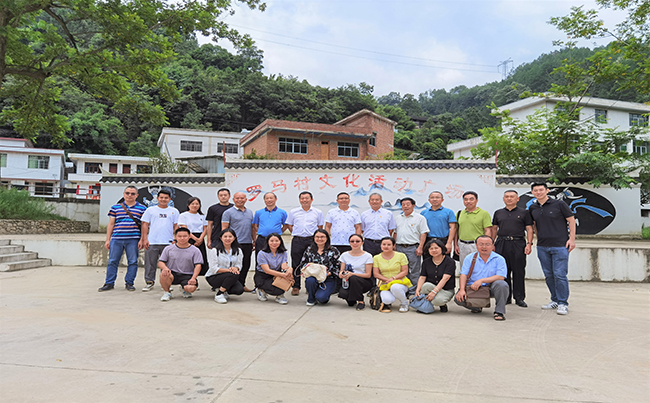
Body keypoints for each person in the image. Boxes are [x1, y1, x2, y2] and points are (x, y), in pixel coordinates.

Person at [529, 183, 576, 315]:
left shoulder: (559, 204)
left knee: (559, 274)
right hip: (542, 246)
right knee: (549, 275)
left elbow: (571, 221)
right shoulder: (533, 208)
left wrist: (572, 239)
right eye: (535, 190)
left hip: (560, 245)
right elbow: (534, 225)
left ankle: (563, 303)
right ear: (532, 192)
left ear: (547, 190)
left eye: (541, 190)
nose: (538, 192)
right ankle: (554, 299)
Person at [98, 185, 146, 292]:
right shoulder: (115, 208)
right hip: (117, 239)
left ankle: (129, 283)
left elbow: (144, 225)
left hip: (133, 239)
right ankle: (109, 283)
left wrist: (142, 239)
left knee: (133, 262)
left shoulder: (142, 209)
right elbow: (111, 224)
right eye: (127, 193)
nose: (130, 195)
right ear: (124, 194)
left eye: (132, 194)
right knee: (112, 261)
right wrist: (108, 239)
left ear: (137, 195)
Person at [491, 190, 534, 307]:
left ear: (517, 199)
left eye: (512, 196)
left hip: (518, 243)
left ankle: (519, 298)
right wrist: (492, 243)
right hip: (501, 243)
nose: (509, 198)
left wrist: (529, 243)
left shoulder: (524, 213)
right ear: (503, 199)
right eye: (507, 197)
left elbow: (529, 229)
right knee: (503, 271)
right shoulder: (498, 213)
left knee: (518, 271)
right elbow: (494, 228)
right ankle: (506, 297)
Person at [454, 235, 509, 321]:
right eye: (481, 244)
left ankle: (499, 311)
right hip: (474, 287)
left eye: (487, 244)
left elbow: (501, 276)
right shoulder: (469, 258)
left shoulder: (499, 259)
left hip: (491, 287)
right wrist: (461, 290)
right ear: (476, 245)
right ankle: (476, 306)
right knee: (459, 299)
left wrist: (481, 280)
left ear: (492, 246)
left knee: (502, 285)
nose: (484, 247)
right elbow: (463, 275)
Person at [286, 191, 324, 296]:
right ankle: (296, 286)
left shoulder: (318, 212)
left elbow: (320, 227)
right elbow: (289, 225)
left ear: (311, 200)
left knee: (312, 263)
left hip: (312, 241)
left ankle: (310, 286)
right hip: (297, 240)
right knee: (296, 263)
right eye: (302, 198)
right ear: (299, 200)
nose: (304, 200)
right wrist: (297, 233)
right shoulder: (293, 212)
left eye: (307, 198)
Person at [140, 189, 179, 291]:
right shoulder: (150, 210)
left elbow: (176, 226)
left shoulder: (174, 211)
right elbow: (145, 225)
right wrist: (144, 239)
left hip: (168, 242)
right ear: (157, 198)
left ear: (170, 199)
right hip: (152, 241)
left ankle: (166, 283)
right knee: (150, 264)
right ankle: (149, 282)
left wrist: (176, 239)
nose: (163, 199)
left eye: (166, 198)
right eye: (161, 197)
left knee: (167, 265)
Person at [158, 228, 203, 302]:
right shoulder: (168, 248)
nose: (182, 238)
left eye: (185, 236)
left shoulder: (195, 250)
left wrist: (193, 278)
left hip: (187, 274)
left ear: (189, 237)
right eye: (179, 236)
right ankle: (167, 292)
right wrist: (165, 268)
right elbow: (161, 262)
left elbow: (198, 265)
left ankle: (184, 289)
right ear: (175, 237)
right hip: (172, 273)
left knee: (191, 288)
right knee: (163, 274)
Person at [298, 229, 341, 306]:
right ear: (314, 238)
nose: (319, 239)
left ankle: (321, 295)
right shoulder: (309, 249)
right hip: (313, 277)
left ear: (327, 238)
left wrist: (329, 273)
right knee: (310, 280)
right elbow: (303, 263)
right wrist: (306, 269)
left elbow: (338, 265)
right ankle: (311, 299)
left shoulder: (333, 250)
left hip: (328, 278)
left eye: (322, 237)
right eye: (317, 237)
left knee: (321, 298)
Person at [394, 197, 429, 293]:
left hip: (413, 247)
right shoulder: (398, 218)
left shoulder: (420, 218)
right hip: (399, 247)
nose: (405, 206)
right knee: (401, 270)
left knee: (414, 271)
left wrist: (420, 247)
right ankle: (404, 289)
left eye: (408, 204)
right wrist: (394, 245)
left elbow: (423, 233)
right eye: (403, 205)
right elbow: (395, 232)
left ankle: (413, 291)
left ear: (413, 206)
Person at [222, 192, 254, 292]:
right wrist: (226, 242)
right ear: (233, 199)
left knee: (245, 264)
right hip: (234, 243)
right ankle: (229, 285)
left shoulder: (249, 212)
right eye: (237, 198)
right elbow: (224, 229)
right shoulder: (228, 212)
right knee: (233, 265)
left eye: (242, 198)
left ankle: (242, 284)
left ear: (246, 199)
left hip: (247, 242)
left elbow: (252, 228)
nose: (240, 200)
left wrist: (254, 240)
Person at [415, 239, 456, 312]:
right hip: (431, 287)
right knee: (425, 286)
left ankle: (442, 304)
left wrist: (434, 292)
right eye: (431, 248)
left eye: (436, 248)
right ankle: (425, 306)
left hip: (446, 290)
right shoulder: (426, 262)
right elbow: (422, 277)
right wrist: (418, 290)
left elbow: (445, 278)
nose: (434, 250)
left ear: (442, 248)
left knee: (437, 301)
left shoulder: (450, 261)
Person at [205, 228, 244, 304]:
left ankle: (224, 289)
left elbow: (239, 265)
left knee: (239, 290)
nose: (227, 239)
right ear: (221, 238)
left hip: (230, 276)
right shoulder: (215, 250)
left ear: (234, 238)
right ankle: (219, 294)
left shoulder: (238, 250)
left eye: (230, 236)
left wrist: (236, 268)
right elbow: (213, 269)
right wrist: (230, 270)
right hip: (214, 276)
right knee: (234, 274)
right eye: (225, 236)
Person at [372, 237, 411, 313]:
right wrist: (388, 280)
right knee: (387, 300)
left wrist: (393, 278)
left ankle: (404, 304)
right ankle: (390, 299)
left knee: (395, 287)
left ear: (393, 246)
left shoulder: (401, 256)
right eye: (384, 244)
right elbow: (376, 274)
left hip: (400, 282)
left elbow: (405, 271)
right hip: (385, 284)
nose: (386, 246)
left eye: (389, 245)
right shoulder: (376, 258)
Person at [454, 191, 492, 265]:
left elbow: (487, 230)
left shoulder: (484, 213)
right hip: (462, 245)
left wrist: (486, 245)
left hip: (477, 245)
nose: (468, 201)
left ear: (477, 200)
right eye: (466, 199)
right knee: (464, 267)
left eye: (471, 199)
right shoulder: (460, 213)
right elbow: (457, 230)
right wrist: (455, 245)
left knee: (478, 266)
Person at [337, 234, 374, 310]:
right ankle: (352, 298)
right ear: (349, 243)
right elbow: (341, 270)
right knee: (345, 297)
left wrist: (352, 274)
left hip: (364, 281)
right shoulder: (344, 255)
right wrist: (341, 274)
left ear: (362, 243)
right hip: (348, 281)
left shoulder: (368, 256)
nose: (355, 243)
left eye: (357, 241)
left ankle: (361, 301)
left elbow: (368, 275)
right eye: (352, 241)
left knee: (354, 278)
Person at [254, 233, 292, 304]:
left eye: (277, 241)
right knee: (277, 289)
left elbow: (284, 266)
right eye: (271, 241)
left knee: (283, 284)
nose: (274, 243)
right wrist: (283, 275)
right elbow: (267, 270)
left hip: (276, 275)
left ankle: (280, 295)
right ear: (267, 242)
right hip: (263, 276)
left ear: (280, 242)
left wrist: (289, 269)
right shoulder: (262, 253)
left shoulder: (283, 252)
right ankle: (261, 290)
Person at [420, 191, 456, 259]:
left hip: (443, 240)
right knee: (427, 261)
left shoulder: (449, 212)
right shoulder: (423, 213)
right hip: (428, 241)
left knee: (444, 261)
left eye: (437, 197)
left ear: (442, 200)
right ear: (429, 200)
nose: (434, 199)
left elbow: (453, 228)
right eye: (432, 197)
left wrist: (449, 243)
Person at [252, 192, 287, 259]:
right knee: (260, 258)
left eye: (271, 198)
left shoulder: (282, 212)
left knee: (276, 258)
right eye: (267, 198)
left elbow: (286, 225)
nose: (269, 200)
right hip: (262, 239)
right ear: (264, 200)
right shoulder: (258, 212)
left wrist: (279, 232)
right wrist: (261, 231)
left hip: (275, 240)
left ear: (276, 199)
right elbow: (255, 225)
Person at [178, 197, 208, 276]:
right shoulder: (183, 215)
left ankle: (199, 275)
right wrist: (195, 239)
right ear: (188, 205)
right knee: (188, 257)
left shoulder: (202, 216)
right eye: (192, 204)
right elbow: (184, 228)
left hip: (200, 237)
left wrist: (200, 239)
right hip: (188, 237)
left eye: (197, 204)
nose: (195, 205)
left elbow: (205, 228)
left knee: (200, 257)